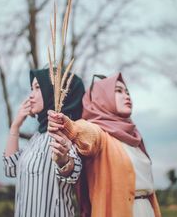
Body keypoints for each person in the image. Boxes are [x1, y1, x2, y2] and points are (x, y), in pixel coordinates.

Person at [48, 73, 161, 217]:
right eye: (118, 91)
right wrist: (68, 126)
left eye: (127, 92)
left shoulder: (134, 137)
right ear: (101, 98)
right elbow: (86, 131)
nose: (127, 96)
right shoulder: (101, 134)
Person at [3, 68, 85, 217]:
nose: (30, 96)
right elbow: (11, 167)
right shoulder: (37, 137)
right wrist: (15, 125)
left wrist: (64, 160)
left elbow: (73, 172)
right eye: (31, 89)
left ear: (52, 92)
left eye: (37, 88)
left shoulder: (63, 131)